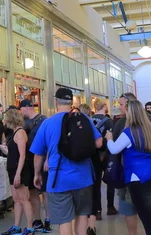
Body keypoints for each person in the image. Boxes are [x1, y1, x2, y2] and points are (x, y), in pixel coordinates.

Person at [30, 88, 103, 235]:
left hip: (58, 180)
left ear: (56, 102)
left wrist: (37, 174)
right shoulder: (83, 119)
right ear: (71, 102)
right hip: (84, 178)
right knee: (82, 216)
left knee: (65, 221)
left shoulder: (47, 123)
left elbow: (38, 154)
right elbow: (99, 142)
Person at [106, 99, 151, 235]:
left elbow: (114, 149)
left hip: (141, 177)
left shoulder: (129, 132)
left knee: (149, 220)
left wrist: (109, 139)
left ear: (130, 113)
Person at [2, 109, 35, 235]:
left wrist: (18, 174)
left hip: (19, 170)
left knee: (24, 199)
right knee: (17, 200)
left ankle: (30, 227)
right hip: (13, 169)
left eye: (5, 118)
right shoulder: (14, 133)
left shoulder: (20, 133)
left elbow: (22, 155)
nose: (4, 120)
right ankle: (16, 226)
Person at [20, 99, 51, 233]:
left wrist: (47, 160)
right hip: (29, 161)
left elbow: (50, 141)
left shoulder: (44, 120)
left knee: (45, 192)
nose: (20, 112)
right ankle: (37, 220)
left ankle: (48, 220)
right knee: (33, 191)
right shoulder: (24, 122)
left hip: (42, 159)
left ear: (26, 108)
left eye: (21, 109)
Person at [79, 104, 102, 235]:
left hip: (79, 163)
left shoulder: (71, 125)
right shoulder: (90, 124)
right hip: (93, 161)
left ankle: (81, 224)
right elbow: (99, 143)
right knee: (95, 191)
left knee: (82, 193)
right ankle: (91, 225)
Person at [90, 101, 113, 221]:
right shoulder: (109, 121)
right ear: (104, 107)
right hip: (107, 153)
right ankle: (110, 206)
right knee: (110, 181)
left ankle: (97, 211)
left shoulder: (89, 120)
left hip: (94, 155)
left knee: (96, 184)